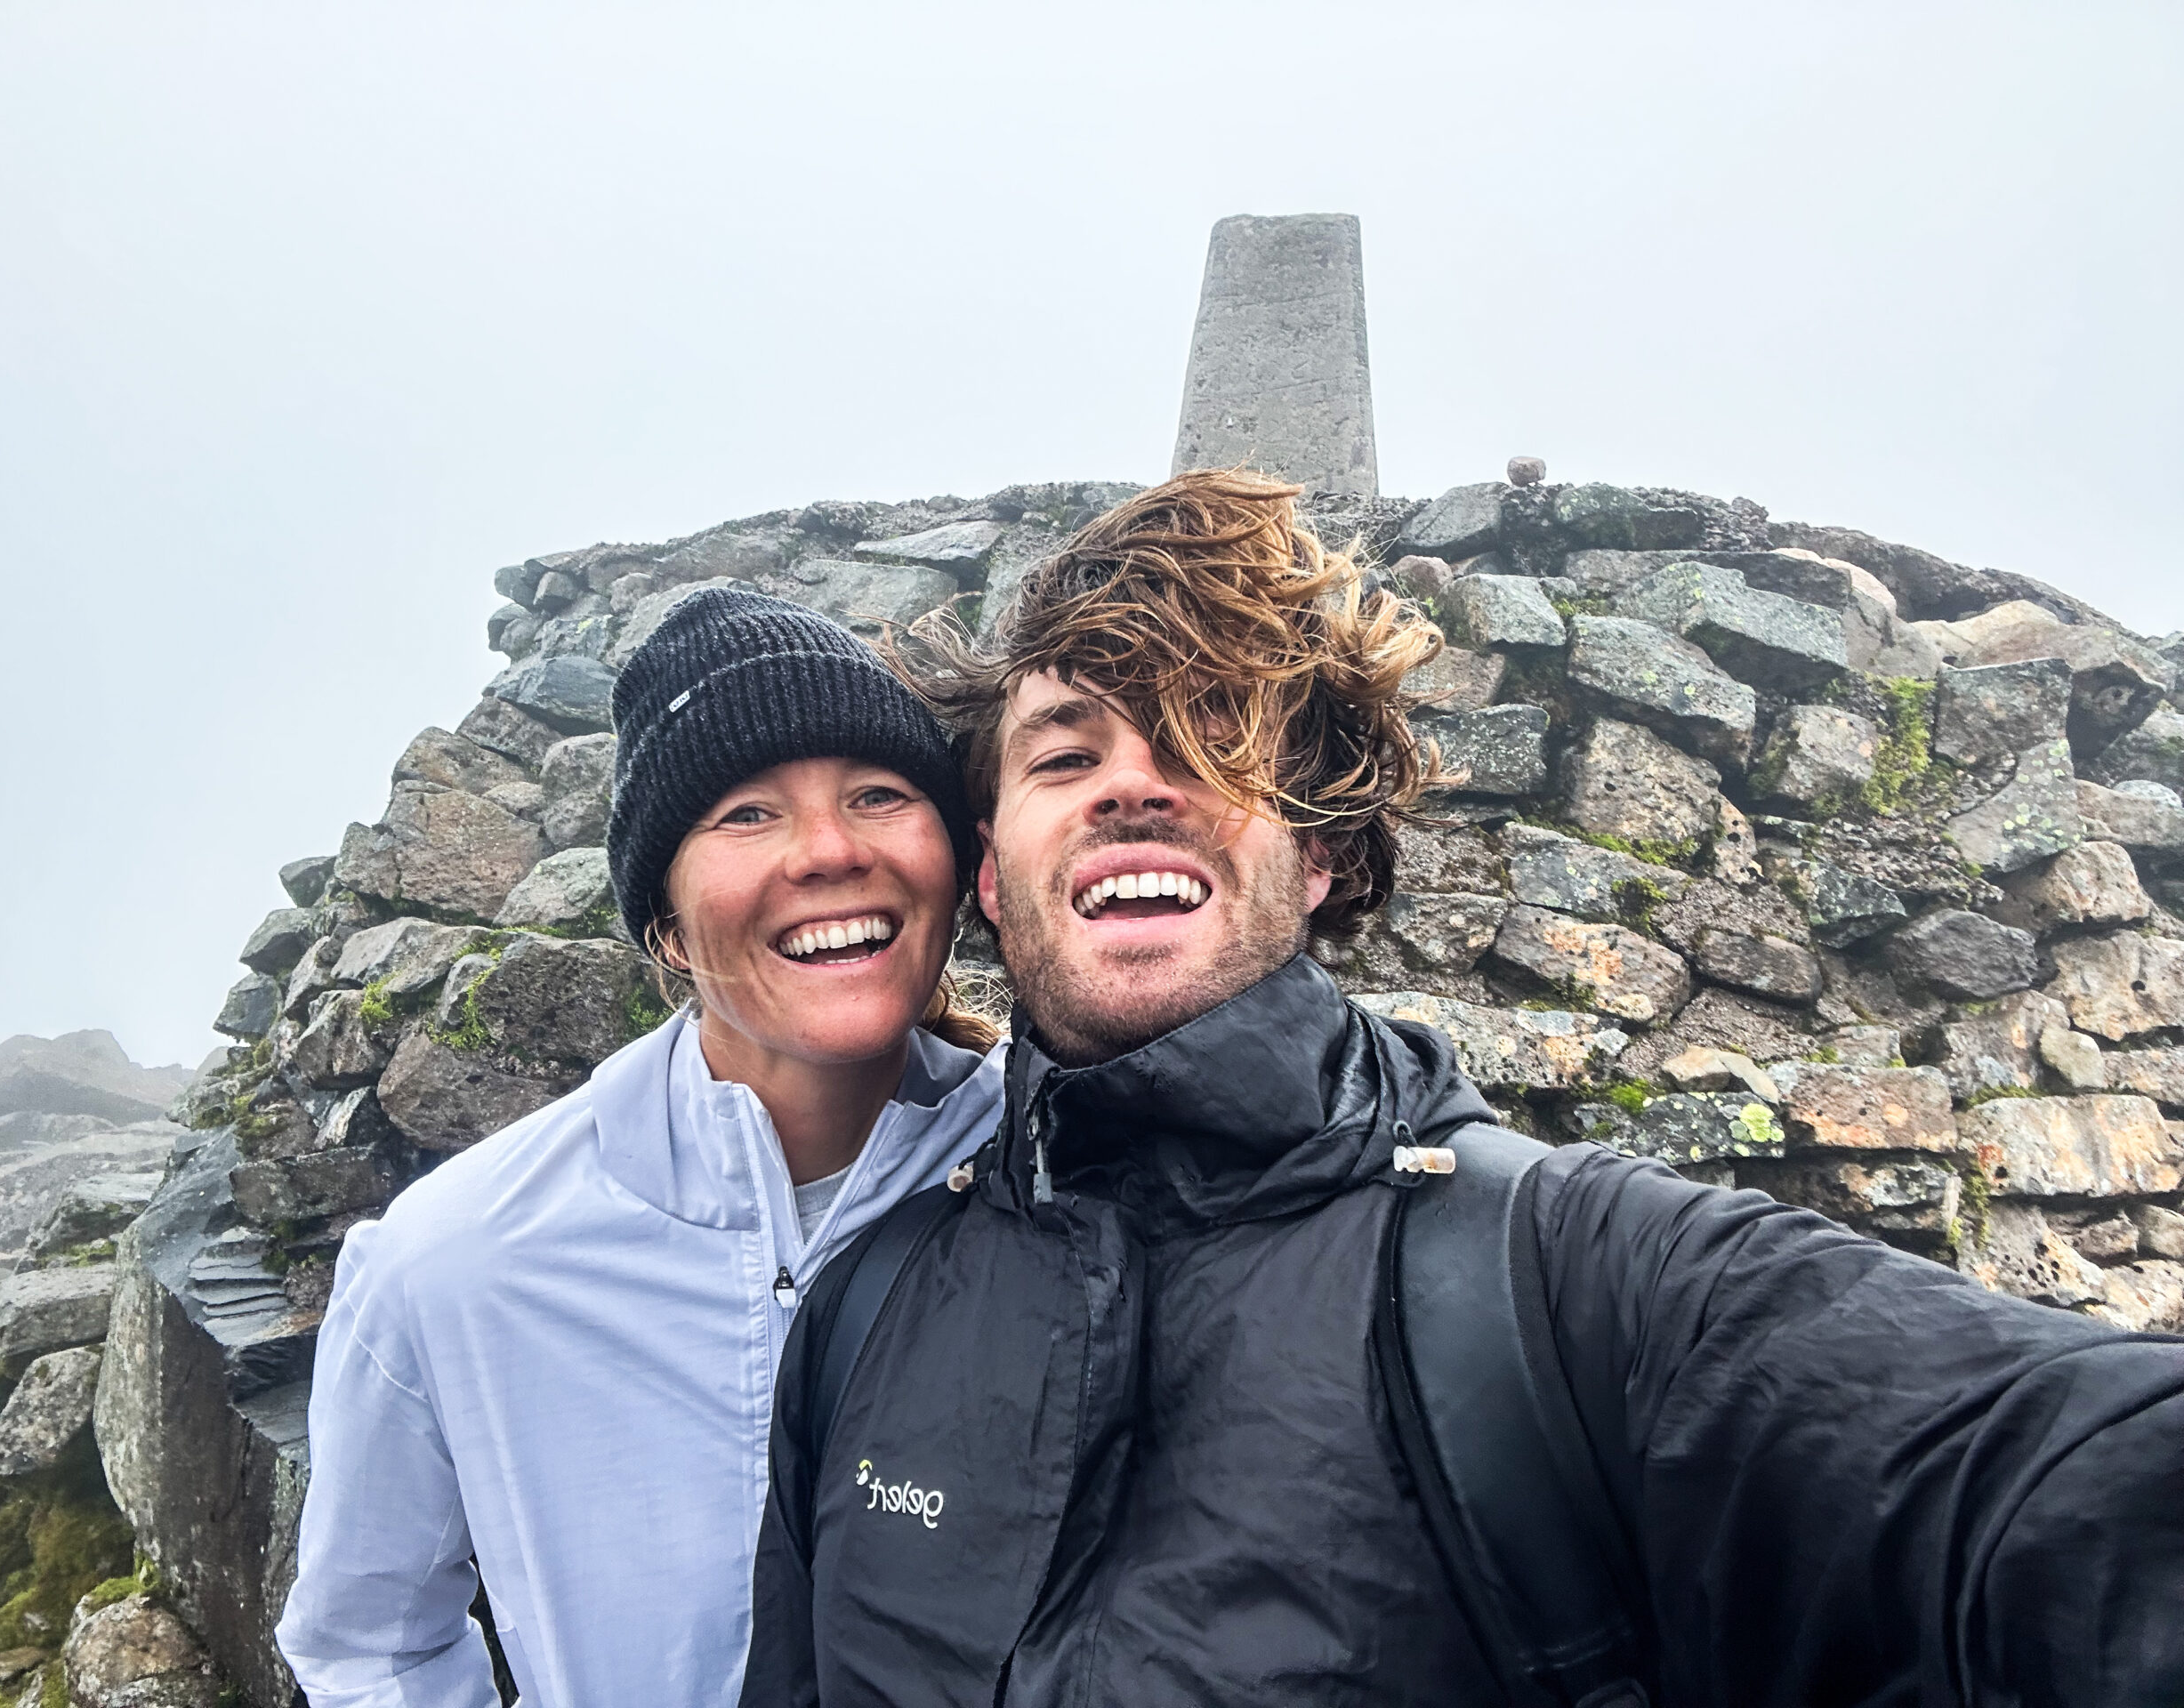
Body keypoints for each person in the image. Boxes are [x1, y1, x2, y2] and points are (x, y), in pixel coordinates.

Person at [741, 471, 2184, 1708]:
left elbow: (2056, 1490)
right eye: (1068, 753)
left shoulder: (1577, 1287)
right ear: (992, 871)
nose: (1135, 785)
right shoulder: (862, 1316)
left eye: (1209, 738)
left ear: (1315, 854)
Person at [278, 589, 1006, 1707]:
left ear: (961, 871)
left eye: (879, 795)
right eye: (746, 814)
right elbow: (369, 1645)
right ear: (662, 924)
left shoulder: (1066, 1167)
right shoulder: (454, 1264)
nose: (827, 851)